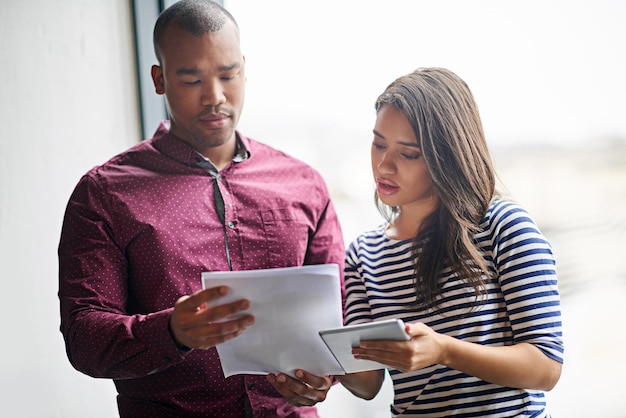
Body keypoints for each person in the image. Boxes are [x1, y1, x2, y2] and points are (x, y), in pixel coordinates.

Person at [57, 1, 345, 416]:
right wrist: (171, 330)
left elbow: (338, 315)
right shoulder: (103, 194)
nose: (215, 96)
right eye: (191, 79)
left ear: (244, 70)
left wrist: (324, 377)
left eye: (228, 75)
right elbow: (84, 338)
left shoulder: (304, 184)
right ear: (159, 79)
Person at [335, 67, 564, 417]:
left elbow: (546, 367)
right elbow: (367, 384)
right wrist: (313, 365)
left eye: (408, 154)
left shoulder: (504, 227)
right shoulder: (363, 254)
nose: (384, 165)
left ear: (447, 156)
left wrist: (444, 350)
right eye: (378, 143)